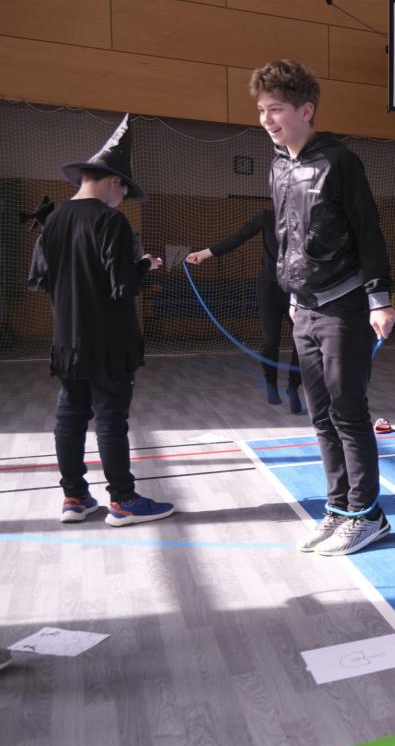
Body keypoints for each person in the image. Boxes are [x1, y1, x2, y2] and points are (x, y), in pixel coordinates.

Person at [252, 59, 395, 557]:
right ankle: (339, 509)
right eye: (262, 110)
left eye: (276, 109)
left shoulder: (341, 162)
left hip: (346, 306)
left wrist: (379, 299)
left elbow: (369, 231)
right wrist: (295, 297)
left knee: (348, 413)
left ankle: (368, 515)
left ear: (306, 110)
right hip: (306, 309)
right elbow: (289, 237)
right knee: (320, 417)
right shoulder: (279, 167)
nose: (266, 119)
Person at [27, 114, 175, 527]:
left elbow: (42, 278)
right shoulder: (110, 221)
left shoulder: (53, 220)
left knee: (70, 415)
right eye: (124, 191)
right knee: (110, 418)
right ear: (113, 181)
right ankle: (123, 501)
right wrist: (144, 265)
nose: (122, 199)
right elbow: (121, 284)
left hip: (67, 339)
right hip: (109, 340)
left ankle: (74, 497)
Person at [185, 207, 304, 412]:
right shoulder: (267, 216)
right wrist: (205, 254)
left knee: (302, 342)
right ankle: (270, 382)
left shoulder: (306, 218)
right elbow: (239, 237)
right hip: (269, 289)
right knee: (271, 341)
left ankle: (293, 387)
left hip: (297, 289)